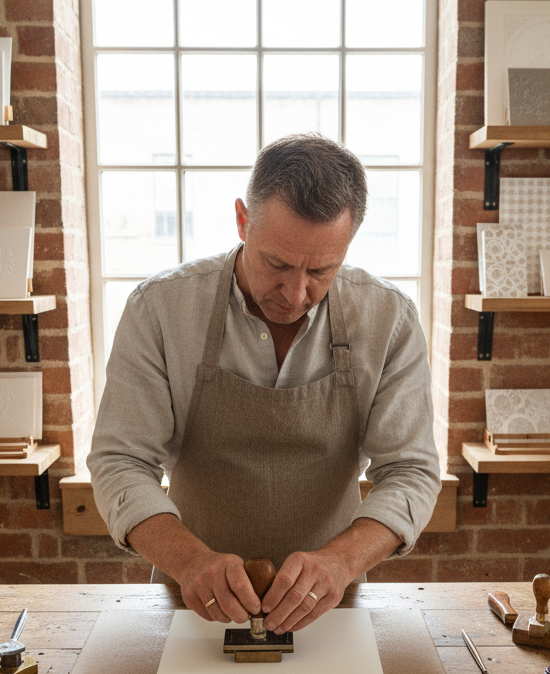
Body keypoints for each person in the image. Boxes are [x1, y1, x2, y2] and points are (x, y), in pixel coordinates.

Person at [88, 133, 440, 635]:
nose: (295, 294)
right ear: (242, 220)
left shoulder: (390, 319)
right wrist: (190, 561)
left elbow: (410, 470)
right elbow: (120, 461)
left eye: (322, 270)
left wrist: (341, 562)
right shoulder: (159, 309)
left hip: (331, 606)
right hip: (193, 602)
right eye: (277, 264)